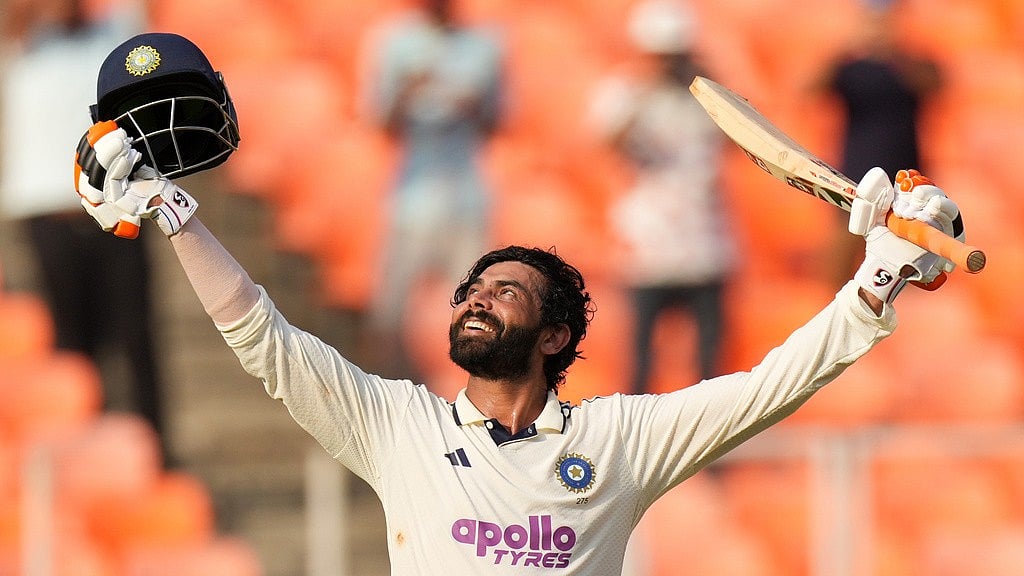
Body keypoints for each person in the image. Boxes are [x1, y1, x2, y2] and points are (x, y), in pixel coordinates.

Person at [74, 111, 964, 572]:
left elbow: (774, 383)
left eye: (505, 293)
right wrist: (170, 210)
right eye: (472, 289)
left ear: (555, 336)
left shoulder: (620, 441)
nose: (476, 300)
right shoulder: (399, 427)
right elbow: (262, 337)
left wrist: (877, 275)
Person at [0, 0, 172, 452]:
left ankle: (155, 448)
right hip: (47, 211)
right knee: (71, 344)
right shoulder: (19, 41)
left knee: (136, 336)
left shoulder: (114, 31)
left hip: (117, 204)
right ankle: (83, 453)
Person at [589, 0, 737, 392]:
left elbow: (740, 139)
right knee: (640, 361)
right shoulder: (624, 89)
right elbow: (609, 141)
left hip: (706, 243)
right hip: (648, 246)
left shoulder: (705, 94)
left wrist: (710, 87)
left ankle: (712, 448)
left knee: (711, 364)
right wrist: (645, 89)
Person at [362, 0, 504, 382]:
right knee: (390, 311)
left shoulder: (484, 45)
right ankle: (391, 389)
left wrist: (471, 105)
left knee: (480, 306)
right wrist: (408, 91)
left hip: (466, 196)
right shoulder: (394, 42)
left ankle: (469, 394)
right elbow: (381, 122)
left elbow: (496, 121)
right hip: (412, 195)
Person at [817, 0, 943, 285]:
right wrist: (848, 49)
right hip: (855, 174)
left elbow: (934, 85)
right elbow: (809, 89)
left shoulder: (912, 63)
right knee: (844, 251)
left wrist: (894, 53)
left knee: (904, 260)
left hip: (905, 182)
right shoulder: (851, 68)